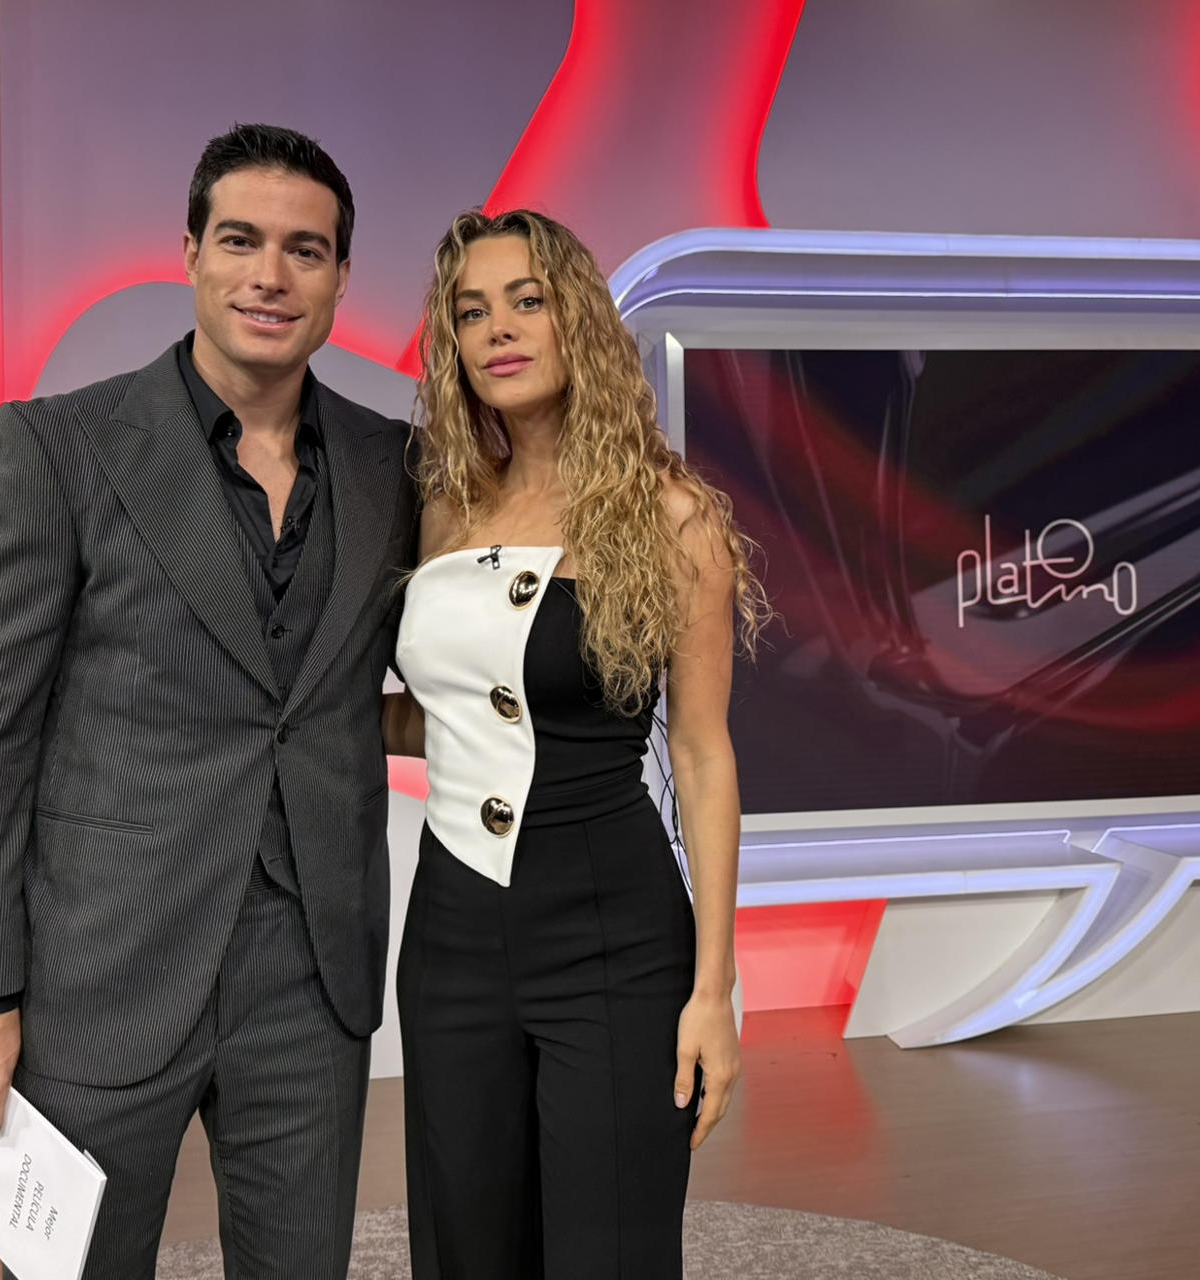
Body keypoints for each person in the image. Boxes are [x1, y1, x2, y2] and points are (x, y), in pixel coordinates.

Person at [0, 123, 416, 1278]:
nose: (269, 274)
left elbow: (396, 678)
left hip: (312, 975)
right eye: (240, 240)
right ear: (189, 251)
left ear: (341, 276)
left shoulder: (395, 466)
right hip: (103, 968)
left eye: (306, 249)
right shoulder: (61, 448)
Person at [382, 208, 769, 1278]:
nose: (498, 328)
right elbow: (459, 708)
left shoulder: (669, 512)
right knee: (468, 1246)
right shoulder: (438, 505)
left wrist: (713, 990)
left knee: (610, 1250)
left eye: (527, 299)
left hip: (616, 933)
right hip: (453, 937)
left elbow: (700, 754)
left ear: (578, 321)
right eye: (471, 311)